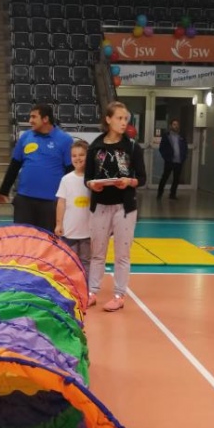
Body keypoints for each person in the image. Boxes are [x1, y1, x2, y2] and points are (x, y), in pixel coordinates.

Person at [84, 101, 147, 312]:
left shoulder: (132, 147)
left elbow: (142, 178)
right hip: (100, 206)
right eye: (119, 118)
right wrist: (92, 185)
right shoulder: (95, 147)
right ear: (108, 119)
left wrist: (129, 181)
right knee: (97, 253)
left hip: (124, 207)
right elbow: (87, 177)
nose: (123, 122)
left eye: (125, 119)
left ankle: (119, 295)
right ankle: (92, 292)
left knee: (122, 254)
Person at [0, 104, 73, 231]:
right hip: (24, 200)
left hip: (51, 202)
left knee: (47, 240)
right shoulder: (25, 137)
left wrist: (68, 199)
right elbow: (15, 165)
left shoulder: (65, 140)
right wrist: (4, 190)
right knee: (22, 238)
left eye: (33, 117)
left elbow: (70, 171)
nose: (30, 121)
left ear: (45, 119)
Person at [55, 140, 92, 279]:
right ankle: (72, 285)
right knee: (70, 260)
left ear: (88, 156)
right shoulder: (66, 179)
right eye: (74, 155)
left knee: (86, 260)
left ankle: (85, 285)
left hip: (88, 231)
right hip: (70, 231)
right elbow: (61, 203)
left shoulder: (92, 180)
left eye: (82, 155)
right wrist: (59, 224)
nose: (78, 158)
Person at [156, 118, 188, 200]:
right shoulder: (166, 136)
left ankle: (172, 194)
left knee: (176, 179)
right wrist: (166, 157)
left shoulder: (181, 136)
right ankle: (160, 193)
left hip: (179, 161)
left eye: (177, 124)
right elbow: (162, 148)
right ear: (170, 126)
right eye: (174, 124)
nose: (176, 126)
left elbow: (185, 147)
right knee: (165, 177)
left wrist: (184, 157)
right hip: (169, 161)